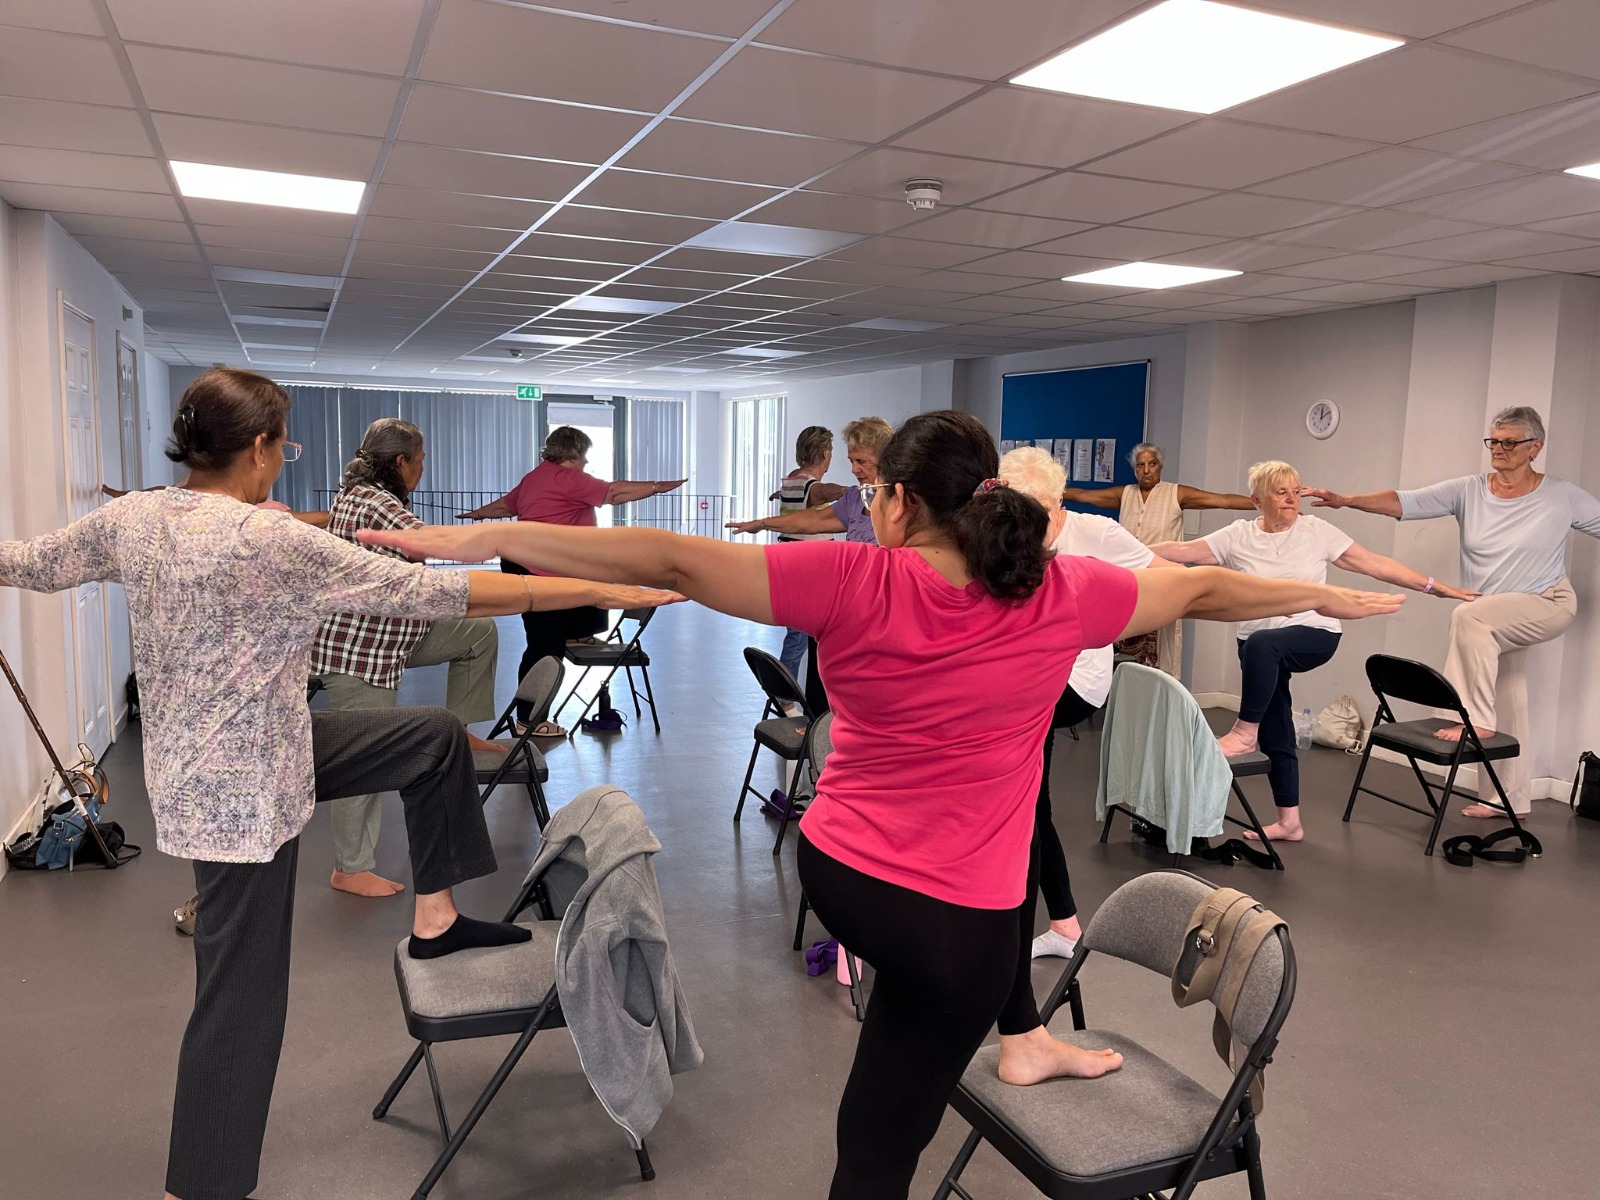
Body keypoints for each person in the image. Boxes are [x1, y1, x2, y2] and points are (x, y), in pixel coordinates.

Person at [360, 411, 1403, 1200]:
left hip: (845, 880)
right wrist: (1326, 598)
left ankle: (1018, 1044)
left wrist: (485, 538)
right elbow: (1209, 591)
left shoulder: (853, 580)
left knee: (882, 1101)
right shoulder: (1060, 592)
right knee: (896, 1113)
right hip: (962, 927)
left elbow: (669, 557)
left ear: (896, 501)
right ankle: (1005, 1047)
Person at [0, 368, 679, 1200]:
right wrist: (599, 587)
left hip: (257, 750)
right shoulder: (267, 540)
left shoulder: (136, 518)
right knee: (240, 998)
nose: (281, 461)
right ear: (255, 448)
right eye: (280, 447)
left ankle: (436, 920)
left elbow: (29, 564)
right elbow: (438, 592)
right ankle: (199, 1186)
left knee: (431, 738)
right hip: (242, 802)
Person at [1152, 459, 1473, 842]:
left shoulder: (1316, 531)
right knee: (1276, 726)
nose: (1291, 499)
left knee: (1262, 648)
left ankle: (1243, 731)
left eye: (1296, 490)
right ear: (1257, 500)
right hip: (1257, 649)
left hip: (1313, 634)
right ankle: (1290, 821)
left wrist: (1436, 587)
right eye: (1280, 492)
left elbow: (1374, 564)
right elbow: (1183, 551)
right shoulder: (1237, 536)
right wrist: (1117, 550)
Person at [1303, 405, 1600, 818]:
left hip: (1546, 602)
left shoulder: (1561, 495)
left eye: (1509, 442)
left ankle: (1470, 719)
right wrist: (1346, 500)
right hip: (1494, 616)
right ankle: (1508, 799)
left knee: (1467, 616)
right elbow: (1403, 502)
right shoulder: (1469, 490)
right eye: (1493, 440)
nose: (1498, 449)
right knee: (1510, 695)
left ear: (1535, 447)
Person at [997, 447, 1181, 976]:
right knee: (1031, 802)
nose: (1022, 524)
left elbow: (1168, 576)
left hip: (1073, 683)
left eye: (1033, 510)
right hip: (1023, 675)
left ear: (1056, 503)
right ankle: (1064, 924)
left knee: (1024, 801)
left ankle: (1014, 937)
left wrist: (1118, 615)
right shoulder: (1007, 534)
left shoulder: (1095, 534)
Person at [312, 418, 506, 899]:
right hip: (361, 652)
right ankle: (350, 867)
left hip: (396, 635)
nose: (422, 469)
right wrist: (509, 543)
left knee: (477, 633)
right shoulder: (375, 502)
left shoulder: (363, 495)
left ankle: (455, 729)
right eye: (420, 460)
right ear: (400, 462)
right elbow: (427, 545)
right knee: (365, 758)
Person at [459, 425, 685, 734]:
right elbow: (614, 493)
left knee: (590, 574)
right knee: (544, 647)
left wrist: (478, 516)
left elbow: (505, 506)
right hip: (540, 572)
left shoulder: (534, 477)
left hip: (523, 565)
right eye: (584, 457)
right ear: (575, 454)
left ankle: (578, 632)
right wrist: (658, 486)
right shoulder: (568, 479)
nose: (586, 463)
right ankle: (530, 719)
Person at [1063, 442, 1254, 677]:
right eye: (1140, 465)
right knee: (1121, 636)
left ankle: (1163, 692)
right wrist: (1045, 488)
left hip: (1164, 577)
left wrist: (1264, 503)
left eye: (1151, 464)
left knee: (1165, 642)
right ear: (1134, 469)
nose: (1146, 471)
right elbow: (1082, 495)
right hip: (1128, 579)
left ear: (1160, 466)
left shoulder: (1176, 493)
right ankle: (1124, 691)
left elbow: (1222, 500)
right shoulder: (1125, 494)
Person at [770, 425, 848, 702]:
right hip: (806, 567)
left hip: (793, 562)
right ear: (826, 454)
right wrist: (852, 492)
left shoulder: (791, 480)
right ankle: (784, 697)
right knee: (799, 635)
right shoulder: (810, 485)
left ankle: (790, 694)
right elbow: (823, 492)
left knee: (802, 635)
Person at [726, 416, 891, 545]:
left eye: (861, 462)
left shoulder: (900, 502)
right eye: (851, 461)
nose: (854, 469)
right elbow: (813, 519)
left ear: (884, 458)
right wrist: (762, 523)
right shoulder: (854, 499)